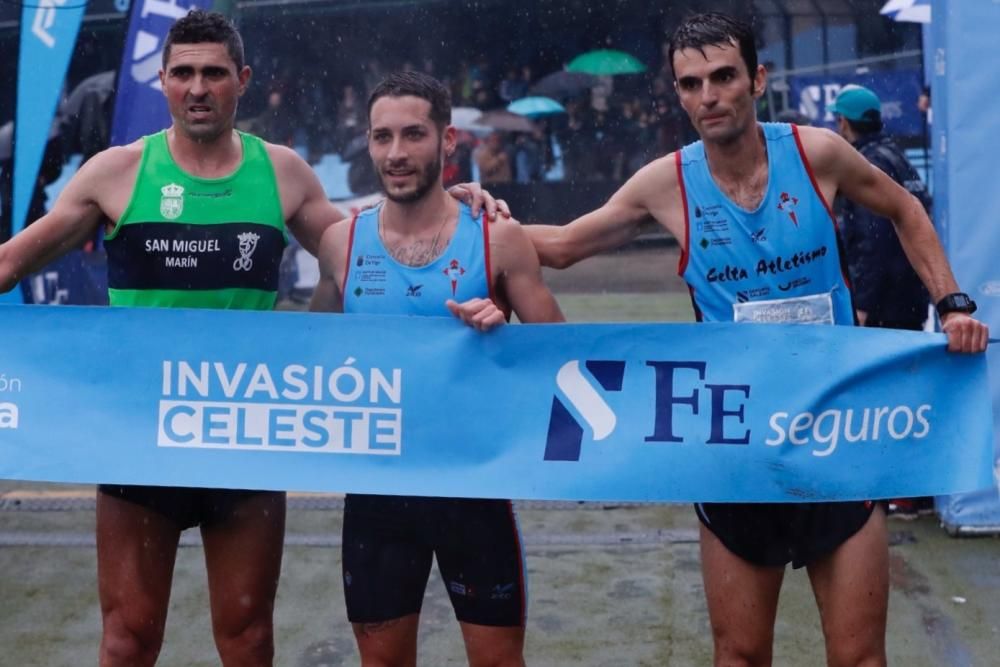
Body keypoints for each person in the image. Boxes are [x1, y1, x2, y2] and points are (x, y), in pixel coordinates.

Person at [0, 11, 502, 667]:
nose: (198, 87)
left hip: (244, 439)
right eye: (183, 73)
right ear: (163, 81)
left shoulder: (284, 173)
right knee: (128, 639)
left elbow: (363, 260)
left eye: (213, 72)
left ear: (244, 80)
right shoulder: (115, 173)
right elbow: (9, 265)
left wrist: (453, 215)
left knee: (247, 638)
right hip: (137, 439)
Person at [523, 12, 988, 667]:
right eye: (691, 84)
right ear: (679, 94)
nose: (708, 95)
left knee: (860, 658)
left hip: (835, 438)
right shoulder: (666, 183)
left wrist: (953, 301)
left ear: (756, 79)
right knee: (740, 655)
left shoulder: (815, 153)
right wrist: (476, 224)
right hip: (736, 446)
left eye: (723, 76)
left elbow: (905, 210)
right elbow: (565, 246)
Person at [309, 70, 564, 667]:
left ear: (448, 141)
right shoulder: (340, 246)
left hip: (471, 491)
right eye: (382, 137)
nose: (396, 154)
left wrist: (502, 333)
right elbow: (307, 361)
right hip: (377, 497)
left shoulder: (496, 238)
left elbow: (562, 355)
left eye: (413, 135)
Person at [831, 84, 934, 519]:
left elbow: (873, 243)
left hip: (886, 300)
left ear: (844, 123)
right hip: (911, 294)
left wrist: (863, 304)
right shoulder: (898, 156)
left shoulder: (867, 164)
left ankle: (898, 491)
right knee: (907, 390)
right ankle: (914, 489)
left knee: (882, 397)